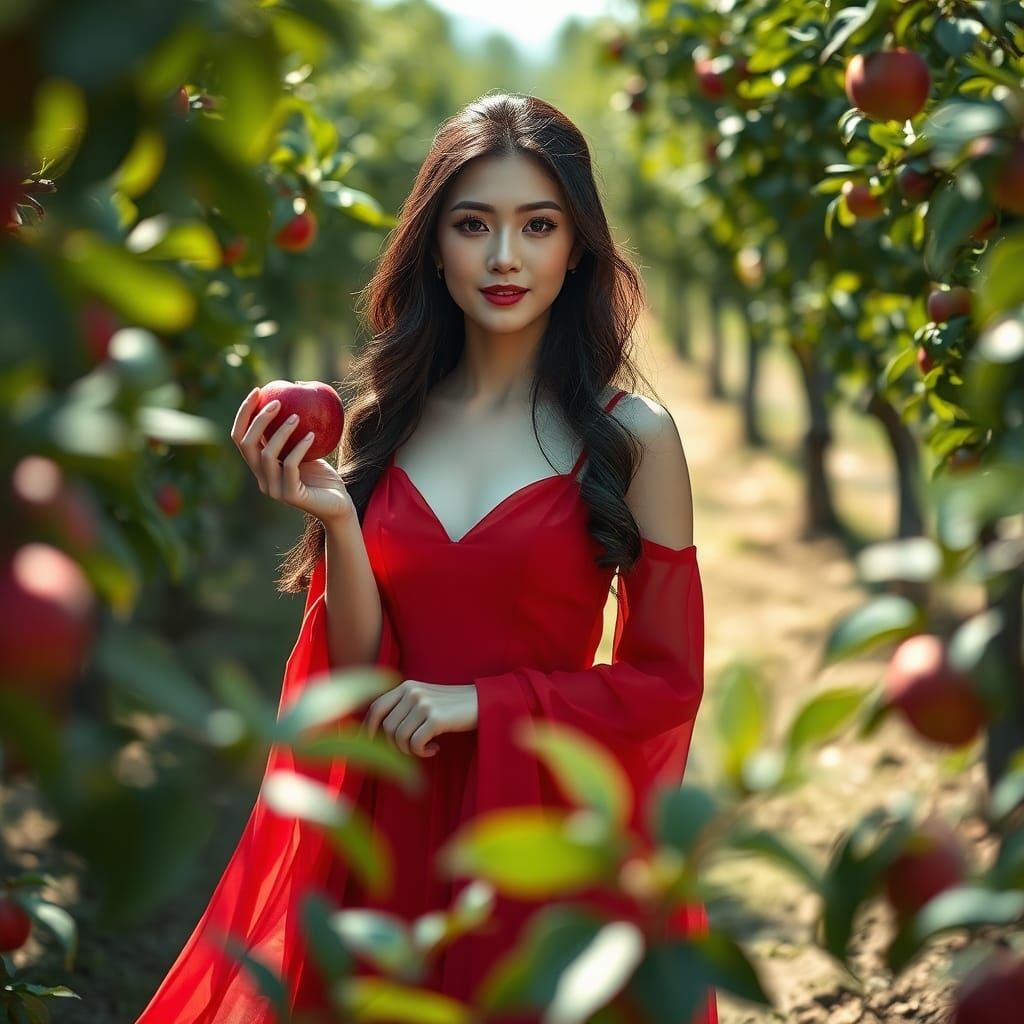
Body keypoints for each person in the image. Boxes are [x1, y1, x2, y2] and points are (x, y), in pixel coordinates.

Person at [133, 92, 716, 1024]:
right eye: (472, 224)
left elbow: (667, 682)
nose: (503, 257)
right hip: (387, 821)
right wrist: (337, 521)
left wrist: (483, 703)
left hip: (539, 832)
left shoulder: (632, 436)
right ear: (432, 244)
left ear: (578, 247)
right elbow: (359, 674)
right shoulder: (381, 426)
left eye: (538, 225)